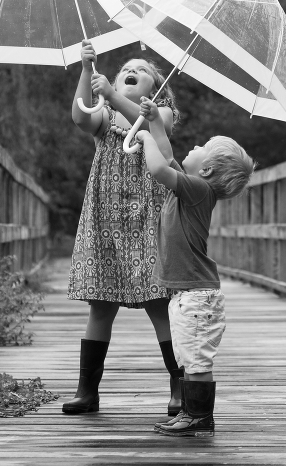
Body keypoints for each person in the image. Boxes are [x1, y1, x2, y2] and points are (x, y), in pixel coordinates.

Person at [63, 40, 183, 415]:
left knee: (158, 299)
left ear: (157, 85)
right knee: (101, 302)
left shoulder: (160, 111)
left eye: (143, 70)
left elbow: (149, 124)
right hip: (107, 213)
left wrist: (113, 93)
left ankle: (179, 387)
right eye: (127, 69)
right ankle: (88, 390)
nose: (134, 71)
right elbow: (81, 116)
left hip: (148, 214)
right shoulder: (106, 113)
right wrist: (86, 72)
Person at [135, 96, 255, 437]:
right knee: (190, 357)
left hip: (196, 296)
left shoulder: (198, 190)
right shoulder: (189, 190)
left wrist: (143, 136)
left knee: (197, 360)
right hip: (188, 294)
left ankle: (200, 416)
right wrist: (155, 122)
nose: (195, 144)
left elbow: (159, 167)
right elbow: (168, 156)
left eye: (202, 147)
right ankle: (191, 412)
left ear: (206, 171)